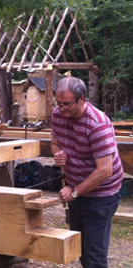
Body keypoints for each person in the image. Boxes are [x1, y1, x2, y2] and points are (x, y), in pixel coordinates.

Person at [51, 77, 123, 268]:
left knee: (94, 254)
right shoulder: (58, 115)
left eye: (66, 104)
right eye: (58, 103)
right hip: (77, 191)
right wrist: (57, 153)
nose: (61, 108)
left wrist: (74, 192)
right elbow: (55, 142)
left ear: (81, 99)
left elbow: (105, 170)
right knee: (80, 248)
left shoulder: (97, 125)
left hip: (101, 194)